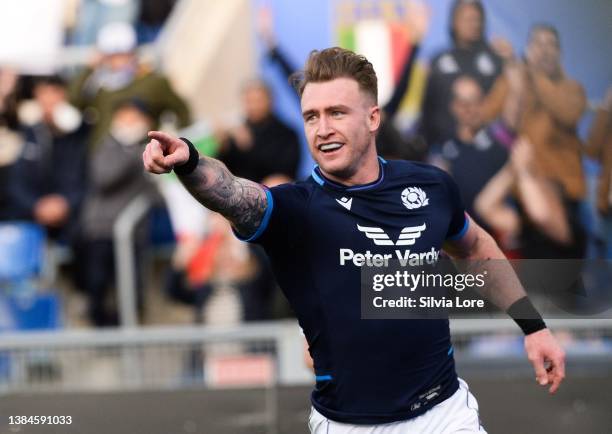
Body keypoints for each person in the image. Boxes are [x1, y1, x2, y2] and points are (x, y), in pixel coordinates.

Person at [143, 47, 565, 433]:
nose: (322, 129)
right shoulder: (294, 209)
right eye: (311, 116)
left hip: (444, 414)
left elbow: (475, 248)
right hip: (348, 425)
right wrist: (189, 159)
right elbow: (233, 192)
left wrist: (534, 328)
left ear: (373, 118)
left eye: (337, 113)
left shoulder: (431, 186)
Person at [76, 99, 157, 326]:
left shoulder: (150, 151)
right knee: (98, 286)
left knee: (131, 291)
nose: (130, 123)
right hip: (100, 230)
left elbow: (156, 193)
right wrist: (132, 153)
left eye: (136, 118)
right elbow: (103, 177)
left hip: (132, 234)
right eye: (126, 117)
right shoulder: (107, 146)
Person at [69, 22, 191, 149]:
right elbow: (74, 102)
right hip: (103, 158)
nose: (116, 61)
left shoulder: (153, 81)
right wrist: (88, 69)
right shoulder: (100, 85)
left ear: (132, 52)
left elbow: (182, 112)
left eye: (122, 54)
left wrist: (175, 144)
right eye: (110, 56)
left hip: (141, 156)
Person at [8, 75, 88, 241]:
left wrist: (65, 204)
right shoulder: (27, 133)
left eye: (54, 93)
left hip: (72, 218)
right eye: (44, 93)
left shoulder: (80, 133)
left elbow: (85, 178)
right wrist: (36, 206)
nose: (49, 100)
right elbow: (16, 181)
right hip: (30, 216)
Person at [420, 0, 509, 148]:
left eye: (477, 19)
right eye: (467, 19)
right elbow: (428, 110)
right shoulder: (438, 61)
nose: (473, 24)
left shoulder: (496, 60)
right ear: (454, 21)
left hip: (486, 146)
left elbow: (505, 107)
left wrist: (510, 62)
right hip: (444, 147)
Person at [430, 75, 513, 229]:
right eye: (463, 103)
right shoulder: (442, 148)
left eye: (475, 101)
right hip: (460, 234)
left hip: (496, 230)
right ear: (454, 106)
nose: (470, 109)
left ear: (484, 103)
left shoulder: (500, 145)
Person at [215, 79, 301, 182]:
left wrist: (249, 146)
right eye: (249, 101)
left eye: (257, 101)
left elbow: (283, 172)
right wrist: (223, 146)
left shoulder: (286, 134)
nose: (253, 106)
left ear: (270, 101)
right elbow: (223, 169)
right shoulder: (236, 132)